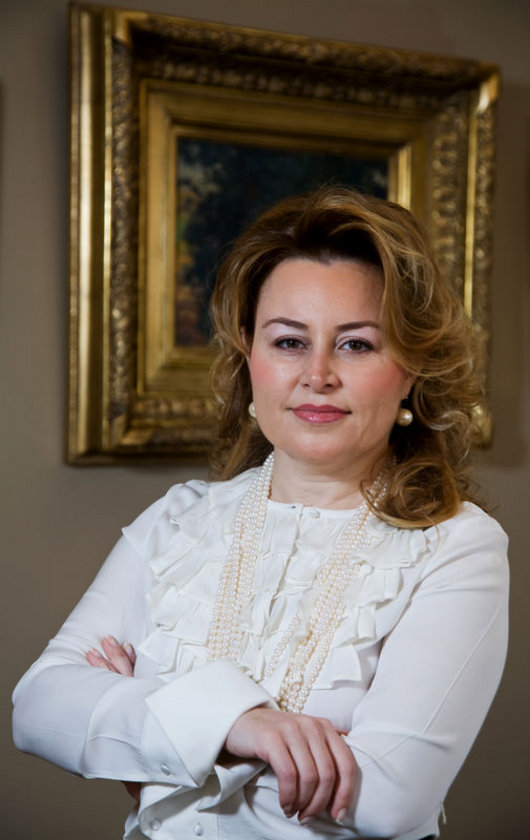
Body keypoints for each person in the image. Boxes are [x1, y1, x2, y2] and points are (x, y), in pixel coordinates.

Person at [12, 186, 509, 840]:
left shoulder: (458, 547)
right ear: (251, 358)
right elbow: (37, 707)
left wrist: (154, 741)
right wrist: (242, 725)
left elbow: (389, 801)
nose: (318, 375)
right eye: (289, 341)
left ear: (412, 367)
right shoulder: (177, 520)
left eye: (357, 345)